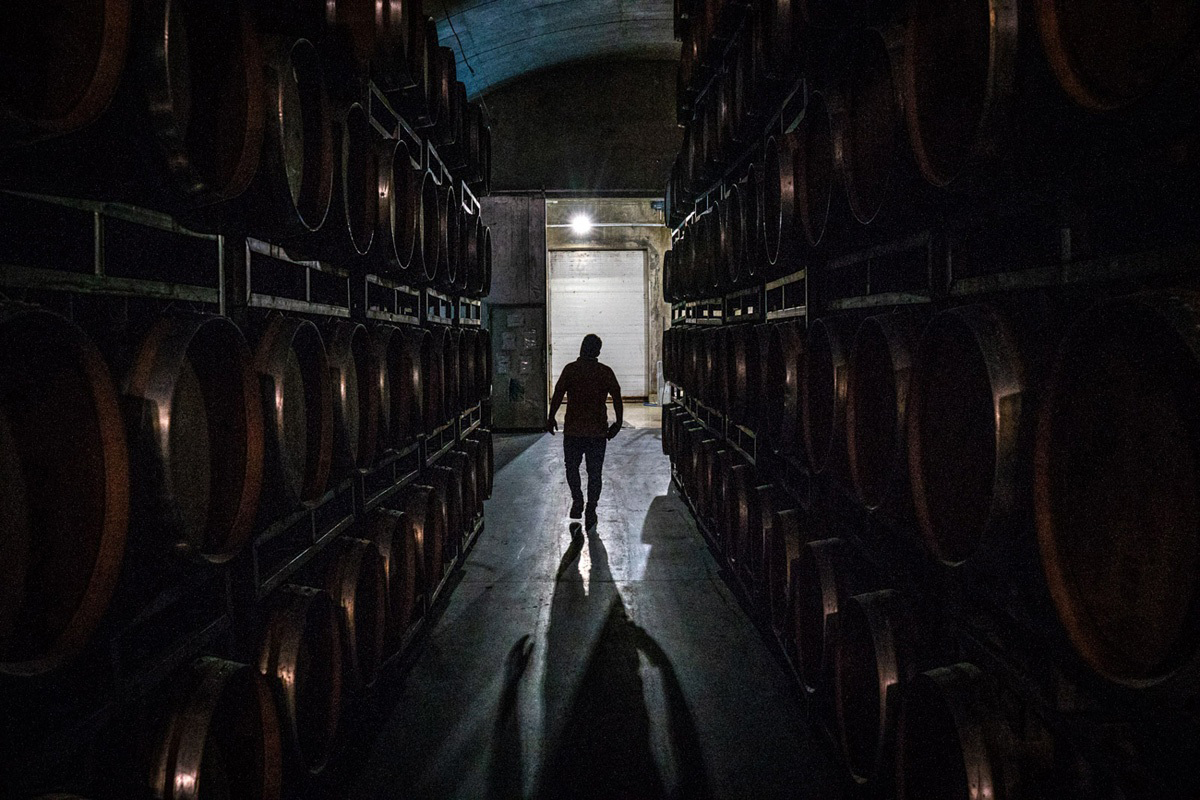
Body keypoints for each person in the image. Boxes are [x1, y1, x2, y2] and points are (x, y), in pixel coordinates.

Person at [546, 333, 622, 530]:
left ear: (581, 348)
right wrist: (618, 422)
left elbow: (558, 394)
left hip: (574, 430)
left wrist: (551, 417)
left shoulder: (571, 370)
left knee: (571, 467)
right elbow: (617, 396)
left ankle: (578, 500)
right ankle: (591, 508)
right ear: (598, 352)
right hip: (597, 432)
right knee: (594, 472)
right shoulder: (604, 371)